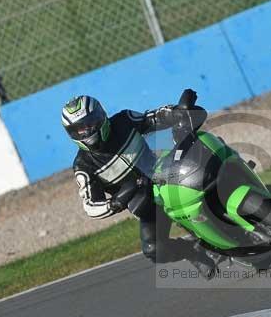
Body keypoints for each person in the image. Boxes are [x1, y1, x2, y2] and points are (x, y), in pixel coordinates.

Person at [61, 94, 218, 279]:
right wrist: (115, 203)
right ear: (72, 134)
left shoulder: (123, 120)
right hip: (145, 201)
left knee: (207, 166)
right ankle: (193, 252)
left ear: (101, 116)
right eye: (79, 129)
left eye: (90, 124)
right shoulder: (83, 165)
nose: (86, 132)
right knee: (153, 249)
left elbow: (152, 118)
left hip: (166, 173)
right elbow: (90, 206)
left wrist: (175, 112)